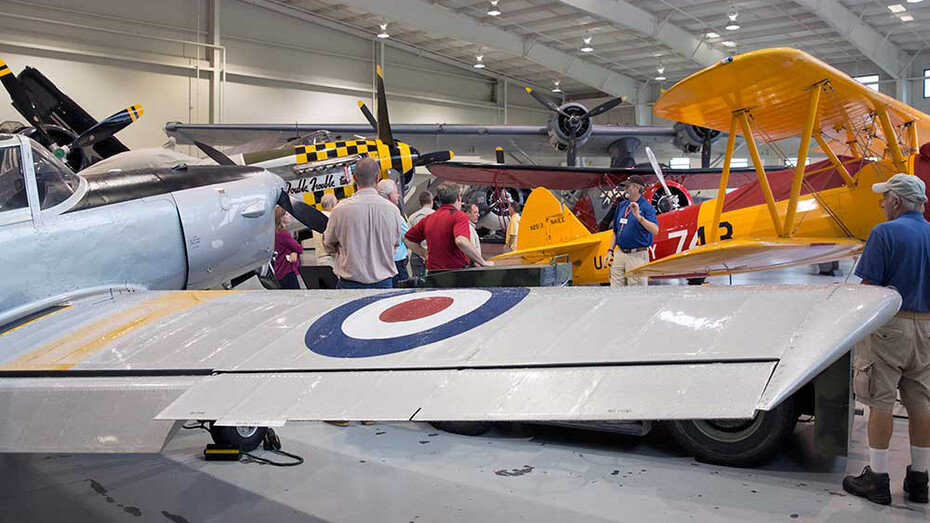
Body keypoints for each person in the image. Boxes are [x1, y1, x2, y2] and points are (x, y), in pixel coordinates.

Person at [843, 173, 930, 505]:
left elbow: (870, 290)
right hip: (926, 329)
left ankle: (877, 479)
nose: (881, 204)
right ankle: (919, 479)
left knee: (878, 401)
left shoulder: (884, 233)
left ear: (896, 200)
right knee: (922, 404)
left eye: (884, 198)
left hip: (890, 327)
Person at [322, 158, 404, 289]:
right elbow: (395, 244)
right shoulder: (393, 210)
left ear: (354, 178)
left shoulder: (340, 210)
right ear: (377, 178)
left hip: (350, 284)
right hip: (384, 283)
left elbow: (328, 244)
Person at [404, 182, 493, 272]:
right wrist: (482, 261)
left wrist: (425, 254)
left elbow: (407, 239)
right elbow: (461, 241)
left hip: (433, 273)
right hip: (455, 274)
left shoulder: (429, 218)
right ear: (458, 198)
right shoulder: (459, 216)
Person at [605, 175, 659, 286]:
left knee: (636, 293)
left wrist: (639, 217)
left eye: (628, 186)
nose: (625, 189)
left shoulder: (647, 207)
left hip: (637, 255)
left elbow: (655, 230)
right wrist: (610, 250)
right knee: (615, 288)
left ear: (637, 188)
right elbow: (615, 230)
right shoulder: (622, 205)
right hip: (620, 253)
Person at [377, 179, 410, 285]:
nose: (399, 195)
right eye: (397, 192)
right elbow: (409, 237)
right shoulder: (396, 216)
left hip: (380, 265)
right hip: (397, 265)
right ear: (390, 196)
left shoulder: (374, 214)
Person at [273, 206, 303, 289]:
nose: (289, 215)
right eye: (286, 214)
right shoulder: (283, 233)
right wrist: (295, 251)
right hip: (286, 269)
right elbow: (299, 248)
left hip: (279, 269)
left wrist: (293, 252)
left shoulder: (276, 232)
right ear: (281, 218)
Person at [407, 191, 435, 278]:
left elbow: (407, 237)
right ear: (431, 201)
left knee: (418, 284)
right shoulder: (436, 216)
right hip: (433, 255)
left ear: (420, 202)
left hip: (416, 255)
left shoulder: (412, 217)